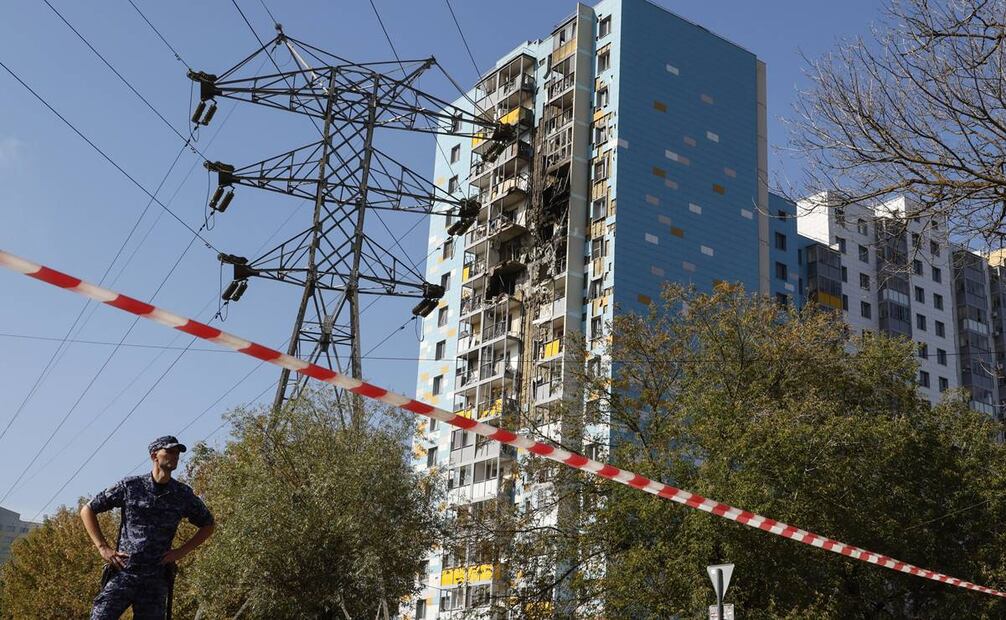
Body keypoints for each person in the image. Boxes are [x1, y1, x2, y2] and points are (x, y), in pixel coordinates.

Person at [80, 435, 215, 620]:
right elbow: (87, 510)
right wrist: (103, 547)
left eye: (177, 453)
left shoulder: (182, 494)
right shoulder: (130, 486)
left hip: (156, 579)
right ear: (154, 456)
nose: (175, 456)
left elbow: (208, 525)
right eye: (169, 451)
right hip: (125, 571)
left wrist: (180, 552)